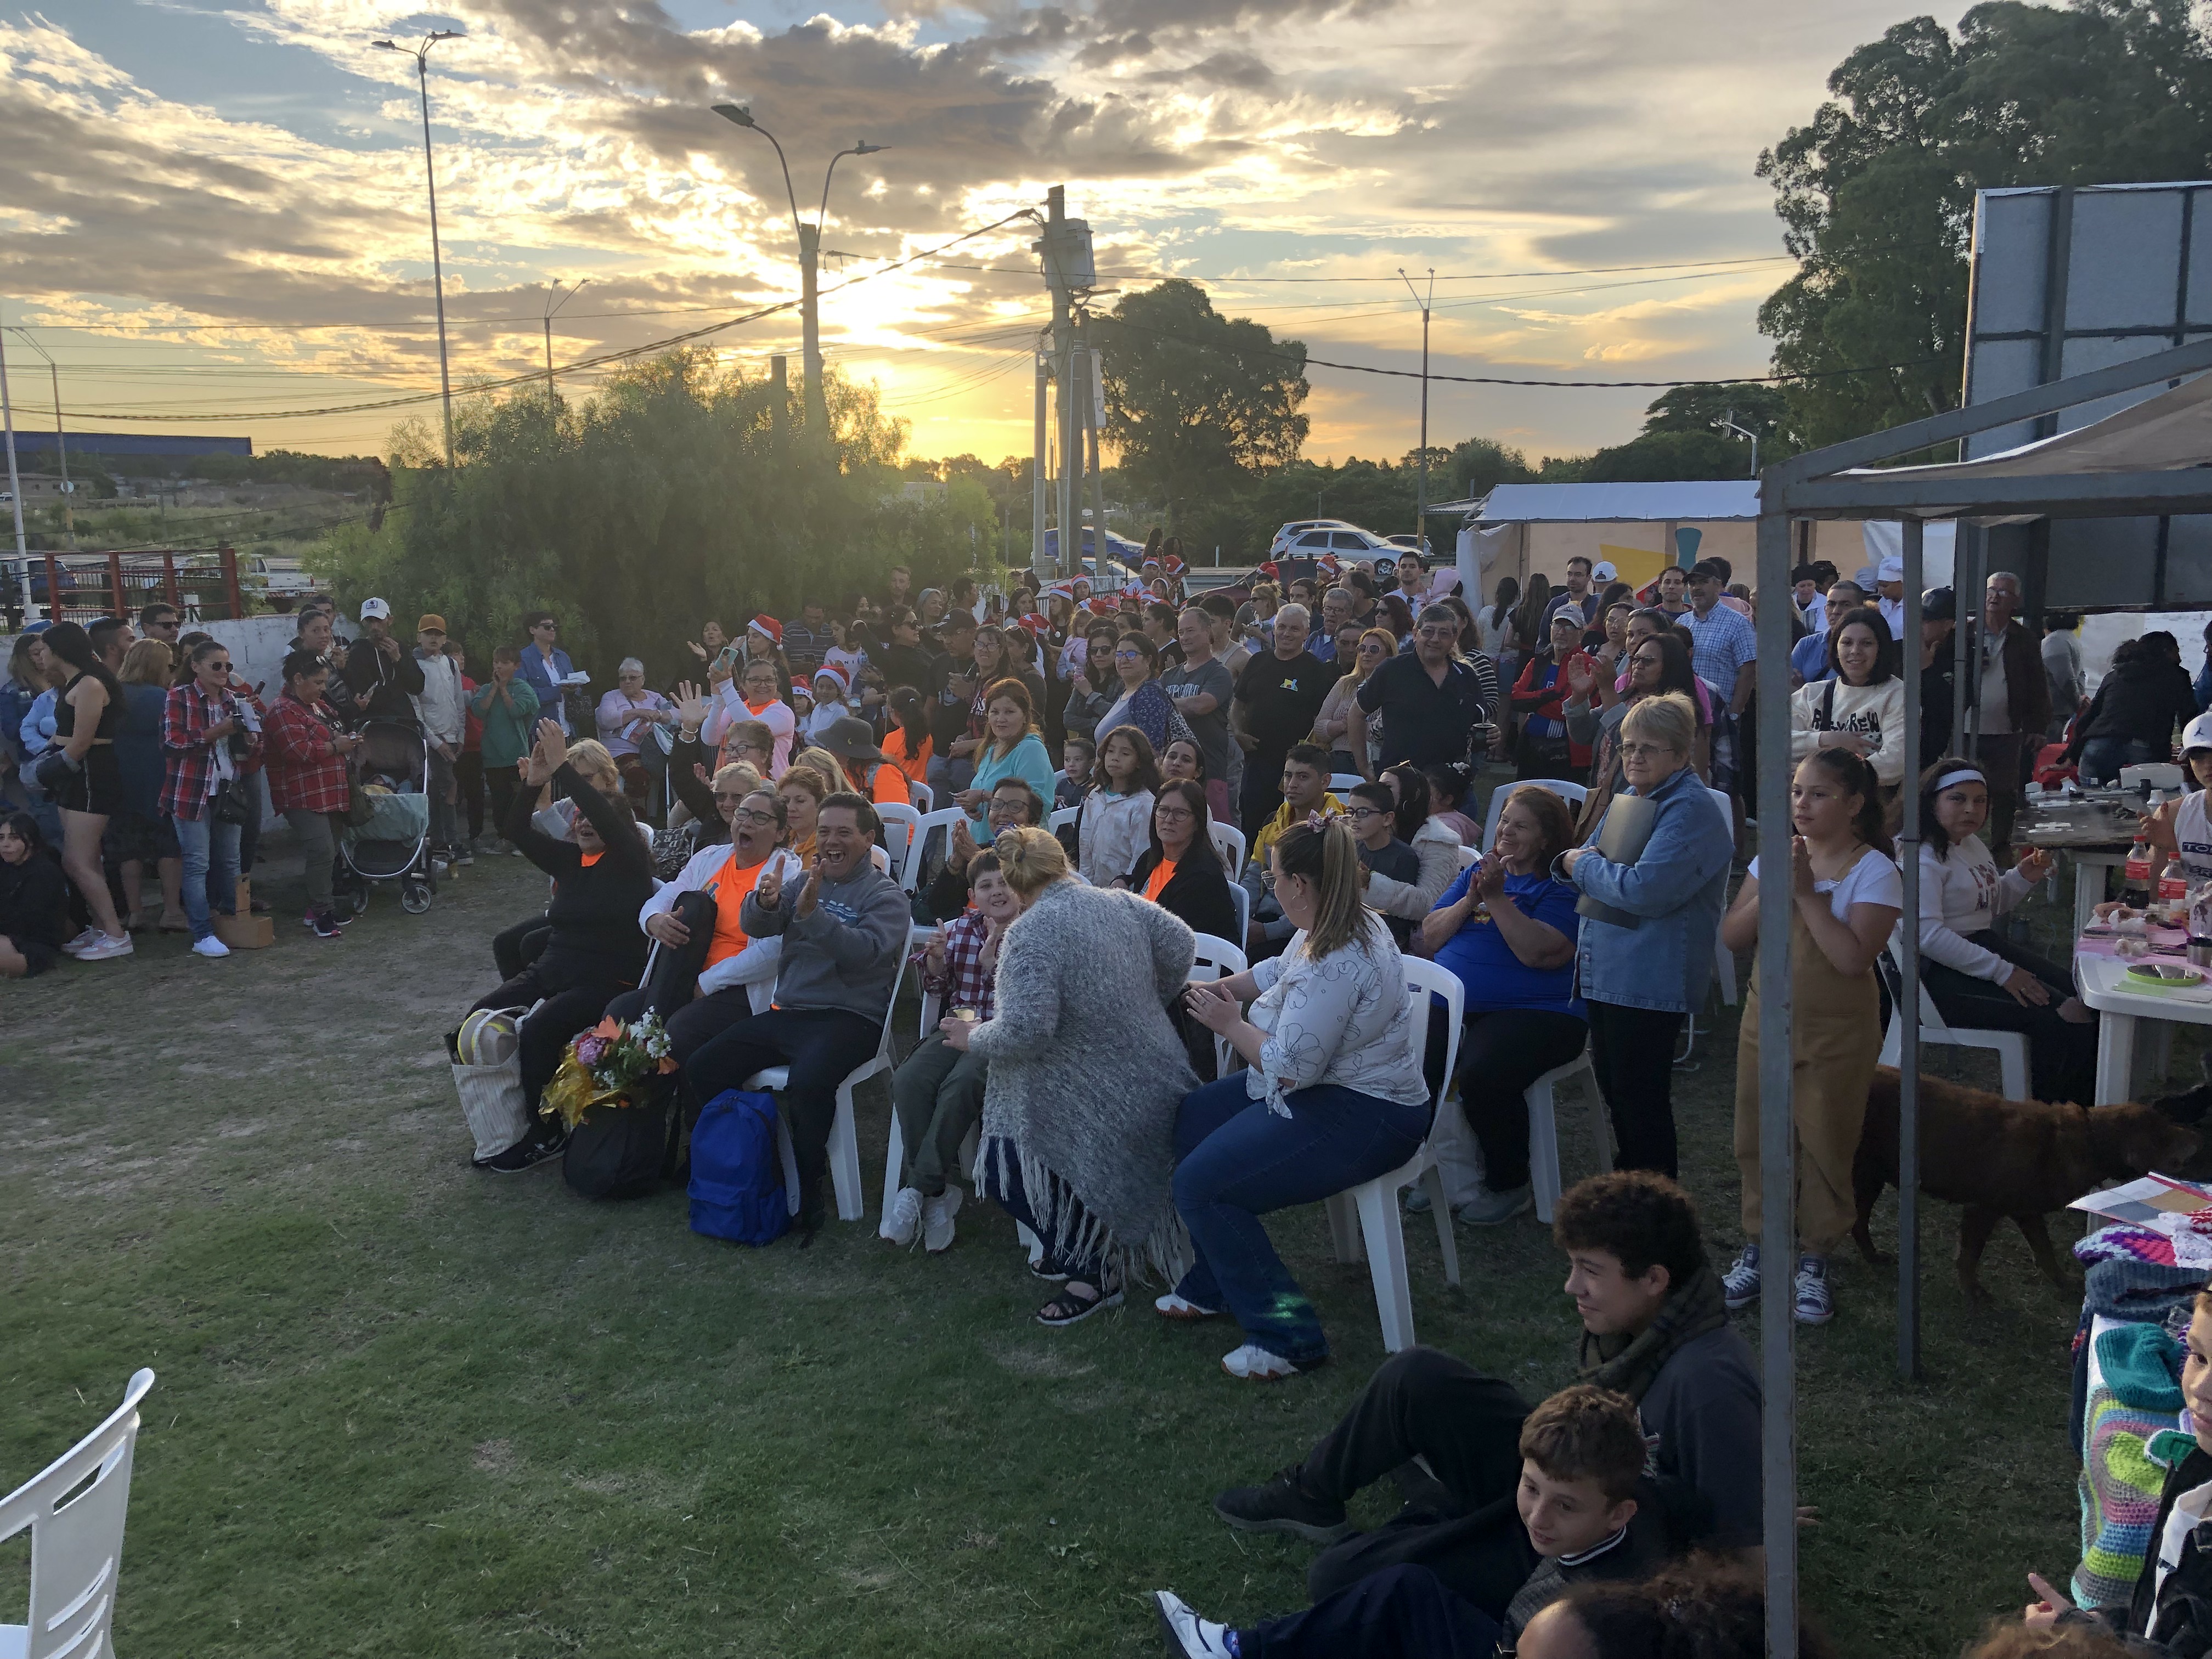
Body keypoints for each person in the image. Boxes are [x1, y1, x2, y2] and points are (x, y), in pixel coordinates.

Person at [1210, 1170, 1758, 1601]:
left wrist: (1750, 1522)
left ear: (1656, 1279)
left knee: (1340, 1578)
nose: (1573, 1287)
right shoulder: (1652, 1329)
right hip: (1576, 1485)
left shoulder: (1707, 1383)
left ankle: (1440, 1523)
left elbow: (1748, 1563)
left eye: (1590, 1270)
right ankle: (1311, 1495)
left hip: (1602, 1548)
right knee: (1417, 1378)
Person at [1171, 816, 1432, 1377]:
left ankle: (1288, 1335)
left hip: (1368, 1113)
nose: (1270, 884)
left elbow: (1291, 1070)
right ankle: (1218, 1278)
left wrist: (1228, 1022)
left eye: (1273, 876)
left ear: (1302, 885)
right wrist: (1223, 989)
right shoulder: (1330, 921)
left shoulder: (1342, 955)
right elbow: (1277, 969)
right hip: (1324, 1089)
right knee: (1190, 1119)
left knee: (1201, 1186)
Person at [1154, 1384, 1658, 1659]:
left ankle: (1240, 1650)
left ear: (1620, 1514)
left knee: (1408, 1591)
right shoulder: (1578, 1543)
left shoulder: (1606, 1601)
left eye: (1565, 1505)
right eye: (1530, 1489)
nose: (1538, 1517)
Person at [941, 826, 1199, 1323]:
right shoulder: (1119, 902)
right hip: (1158, 1071)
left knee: (1002, 1167)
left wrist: (970, 1039)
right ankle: (1080, 1248)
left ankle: (1094, 1269)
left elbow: (1027, 1031)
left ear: (1014, 882)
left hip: (1114, 1090)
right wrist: (1145, 1002)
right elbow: (1180, 942)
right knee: (1025, 1130)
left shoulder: (1030, 933)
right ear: (1062, 861)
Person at [1718, 747, 1900, 1325]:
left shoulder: (1875, 870)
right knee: (1758, 1133)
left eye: (1818, 794)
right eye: (1797, 791)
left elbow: (1851, 958)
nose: (1802, 803)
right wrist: (1778, 882)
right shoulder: (1775, 857)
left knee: (1827, 1138)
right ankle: (1761, 1243)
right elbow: (1732, 936)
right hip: (1764, 1020)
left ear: (1854, 804)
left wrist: (1805, 894)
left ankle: (1815, 1256)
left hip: (1837, 1032)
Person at [685, 792, 911, 1237]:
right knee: (704, 1066)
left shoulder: (887, 896)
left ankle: (810, 1189)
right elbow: (758, 927)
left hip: (852, 1019)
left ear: (868, 838)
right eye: (825, 831)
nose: (831, 841)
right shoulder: (804, 878)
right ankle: (758, 1169)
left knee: (808, 1082)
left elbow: (864, 955)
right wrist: (765, 902)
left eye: (844, 832)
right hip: (789, 1012)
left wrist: (812, 916)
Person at [470, 721, 657, 1172]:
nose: (587, 822)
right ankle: (504, 1124)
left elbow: (607, 813)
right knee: (479, 1020)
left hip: (606, 981)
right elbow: (514, 828)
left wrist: (564, 769)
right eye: (581, 818)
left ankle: (546, 1134)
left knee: (539, 1030)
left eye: (596, 819)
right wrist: (535, 782)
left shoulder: (631, 864)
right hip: (553, 970)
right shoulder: (571, 860)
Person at [1560, 693, 1732, 1179]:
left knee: (1641, 1101)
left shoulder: (1689, 810)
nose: (1634, 757)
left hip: (1649, 980)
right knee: (1619, 1091)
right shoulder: (1634, 798)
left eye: (1649, 749)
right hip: (1611, 971)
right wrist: (1583, 863)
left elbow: (1644, 889)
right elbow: (1581, 861)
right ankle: (1631, 1190)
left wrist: (1584, 864)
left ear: (1681, 755)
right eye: (1628, 746)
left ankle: (1653, 1202)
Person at [1418, 783, 1588, 1224]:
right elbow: (1432, 936)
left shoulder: (1562, 886)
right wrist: (1472, 898)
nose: (1507, 831)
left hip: (1539, 1012)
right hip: (1458, 1003)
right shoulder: (1480, 873)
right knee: (1413, 1054)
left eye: (1522, 826)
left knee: (1482, 1075)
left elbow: (1540, 953)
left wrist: (1495, 899)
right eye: (1505, 820)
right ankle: (1440, 1168)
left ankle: (1508, 1182)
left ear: (1547, 839)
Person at [2022, 1286, 2212, 1655]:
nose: (2202, 1388)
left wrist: (2092, 1642)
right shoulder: (2195, 1468)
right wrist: (2103, 1628)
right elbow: (2160, 1611)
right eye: (2200, 1357)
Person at [1919, 758, 2098, 1104]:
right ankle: (2054, 1124)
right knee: (2066, 1018)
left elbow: (1988, 906)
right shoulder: (1920, 855)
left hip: (1979, 948)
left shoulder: (1969, 844)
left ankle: (2084, 1110)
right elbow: (1927, 936)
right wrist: (2003, 973)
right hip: (1932, 974)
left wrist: (2022, 876)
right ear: (1932, 802)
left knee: (2084, 998)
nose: (1972, 808)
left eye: (1980, 800)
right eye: (1958, 799)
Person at [602, 784, 803, 1065]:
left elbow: (773, 952)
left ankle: (654, 1093)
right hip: (683, 972)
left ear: (780, 833)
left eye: (760, 818)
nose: (746, 822)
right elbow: (667, 894)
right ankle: (621, 1092)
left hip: (738, 988)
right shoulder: (710, 858)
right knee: (618, 1011)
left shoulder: (787, 876)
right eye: (742, 813)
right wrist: (654, 920)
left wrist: (708, 982)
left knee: (682, 1028)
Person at [886, 848, 1022, 1255]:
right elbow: (937, 992)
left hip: (1004, 1029)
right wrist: (936, 963)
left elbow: (1032, 1004)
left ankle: (917, 1188)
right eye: (986, 886)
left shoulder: (1034, 930)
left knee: (962, 1084)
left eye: (1005, 883)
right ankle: (938, 1192)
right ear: (972, 895)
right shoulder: (962, 929)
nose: (996, 892)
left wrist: (994, 963)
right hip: (959, 1018)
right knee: (909, 1079)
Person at [161, 637, 264, 960]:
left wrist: (250, 740)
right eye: (216, 665)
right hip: (191, 791)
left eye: (228, 666)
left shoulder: (235, 700)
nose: (223, 672)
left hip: (228, 790)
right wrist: (214, 732)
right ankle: (202, 933)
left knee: (231, 861)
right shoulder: (179, 697)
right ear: (195, 666)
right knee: (197, 864)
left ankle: (236, 921)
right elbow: (171, 744)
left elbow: (249, 751)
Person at [41, 622, 133, 961]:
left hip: (92, 774)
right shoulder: (74, 683)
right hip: (76, 776)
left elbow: (83, 742)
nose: (41, 656)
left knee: (76, 860)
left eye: (46, 649)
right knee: (87, 857)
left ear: (61, 649)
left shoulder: (91, 683)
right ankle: (100, 926)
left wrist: (48, 768)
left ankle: (115, 934)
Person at [263, 650, 363, 940]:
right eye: (318, 682)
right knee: (321, 852)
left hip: (329, 792)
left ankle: (317, 909)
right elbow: (297, 752)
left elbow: (332, 735)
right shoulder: (283, 709)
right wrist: (337, 747)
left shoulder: (315, 706)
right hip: (302, 797)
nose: (323, 688)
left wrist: (347, 741)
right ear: (298, 679)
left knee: (328, 853)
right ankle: (322, 912)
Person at [1230, 602, 1334, 837]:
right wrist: (1238, 732)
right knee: (1253, 827)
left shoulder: (1317, 672)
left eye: (1295, 629)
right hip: (1256, 763)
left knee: (1291, 829)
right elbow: (1238, 704)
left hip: (1294, 768)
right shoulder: (1257, 662)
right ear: (1274, 629)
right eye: (1282, 627)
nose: (1287, 634)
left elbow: (1322, 719)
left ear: (1306, 633)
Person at [1969, 570, 2054, 855]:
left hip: (2007, 730)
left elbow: (2037, 684)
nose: (1994, 596)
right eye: (1991, 590)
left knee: (2005, 792)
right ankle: (1958, 843)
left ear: (2015, 601)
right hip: (1964, 728)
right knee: (1960, 785)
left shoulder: (2024, 639)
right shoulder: (1964, 632)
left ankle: (2000, 849)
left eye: (2003, 592)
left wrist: (2037, 726)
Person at [1356, 604, 1496, 770]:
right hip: (1400, 782)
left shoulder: (1466, 676)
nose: (1435, 639)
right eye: (1429, 631)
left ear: (1454, 639)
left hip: (1452, 783)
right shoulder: (1391, 670)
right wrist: (1363, 767)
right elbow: (1356, 714)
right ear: (1416, 634)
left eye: (1444, 634)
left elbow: (1480, 722)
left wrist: (1494, 734)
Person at [1786, 606, 1908, 791]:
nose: (1855, 651)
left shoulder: (1897, 694)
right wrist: (1825, 739)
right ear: (1835, 648)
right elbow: (1776, 743)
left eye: (1867, 643)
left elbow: (1896, 761)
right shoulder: (1810, 694)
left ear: (1881, 648)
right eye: (1847, 643)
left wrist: (1831, 782)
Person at [109, 640, 183, 934]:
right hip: (158, 778)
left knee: (129, 851)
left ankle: (136, 913)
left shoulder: (113, 696)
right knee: (169, 848)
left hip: (119, 780)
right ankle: (172, 911)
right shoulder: (161, 697)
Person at [1241, 745, 1342, 957]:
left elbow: (1322, 899)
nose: (1292, 785)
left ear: (1325, 781)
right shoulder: (1273, 820)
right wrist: (1243, 920)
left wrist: (1267, 932)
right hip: (1261, 918)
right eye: (1288, 776)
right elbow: (1253, 876)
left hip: (1304, 930)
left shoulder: (1336, 829)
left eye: (1303, 777)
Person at [2072, 631, 2197, 786]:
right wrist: (2196, 752)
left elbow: (2089, 716)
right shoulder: (2177, 676)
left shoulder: (2115, 675)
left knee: (2091, 803)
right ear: (2166, 651)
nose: (2180, 659)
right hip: (2143, 745)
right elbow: (2189, 717)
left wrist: (2071, 754)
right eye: (2176, 652)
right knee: (2143, 802)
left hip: (2097, 746)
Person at [1678, 561, 1756, 799]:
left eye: (1703, 582)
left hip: (1721, 720)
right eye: (1692, 583)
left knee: (1725, 785)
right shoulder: (1682, 624)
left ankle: (1734, 834)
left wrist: (1734, 713)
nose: (1696, 588)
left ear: (1719, 586)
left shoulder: (1737, 623)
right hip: (1686, 716)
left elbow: (1749, 669)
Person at [1127, 780, 1240, 941]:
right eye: (1163, 810)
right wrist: (1123, 880)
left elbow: (1174, 942)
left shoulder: (1202, 878)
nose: (1168, 819)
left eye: (1180, 813)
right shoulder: (1150, 859)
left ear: (1197, 823)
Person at [953, 679, 1055, 843]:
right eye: (995, 712)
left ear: (1025, 716)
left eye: (1009, 712)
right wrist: (974, 807)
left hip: (1018, 847)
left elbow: (1036, 803)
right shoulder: (991, 748)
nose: (1001, 719)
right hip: (984, 842)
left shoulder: (1030, 749)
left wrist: (982, 797)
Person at [1161, 607, 1238, 824]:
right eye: (1181, 632)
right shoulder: (1169, 675)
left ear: (1207, 632)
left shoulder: (1219, 673)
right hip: (1172, 772)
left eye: (1191, 631)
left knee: (1215, 832)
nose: (1184, 637)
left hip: (1209, 770)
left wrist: (1164, 704)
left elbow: (1202, 705)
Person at [1513, 610, 1596, 781]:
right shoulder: (1538, 661)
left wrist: (1534, 701)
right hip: (1531, 750)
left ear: (1581, 633)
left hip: (1567, 756)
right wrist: (1551, 694)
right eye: (1557, 625)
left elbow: (1567, 710)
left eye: (1569, 627)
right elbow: (1516, 699)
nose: (1561, 632)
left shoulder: (1585, 664)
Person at [470, 647, 540, 851]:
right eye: (496, 662)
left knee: (519, 799)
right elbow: (478, 710)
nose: (499, 666)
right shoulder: (485, 689)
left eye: (505, 663)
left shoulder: (523, 688)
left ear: (516, 666)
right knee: (499, 799)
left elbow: (517, 711)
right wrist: (494, 688)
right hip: (493, 755)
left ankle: (521, 839)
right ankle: (504, 837)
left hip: (516, 754)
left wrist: (504, 690)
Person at [411, 614, 468, 864]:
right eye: (428, 633)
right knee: (448, 787)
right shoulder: (413, 667)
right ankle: (450, 843)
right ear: (419, 637)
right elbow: (416, 712)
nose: (434, 638)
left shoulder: (450, 664)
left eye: (438, 634)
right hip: (430, 742)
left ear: (445, 639)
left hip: (452, 738)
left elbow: (458, 702)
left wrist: (460, 735)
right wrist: (436, 743)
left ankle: (441, 845)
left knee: (439, 791)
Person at [1077, 725, 1159, 887]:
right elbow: (1085, 844)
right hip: (1094, 888)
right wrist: (1085, 885)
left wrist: (1127, 886)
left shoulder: (1143, 803)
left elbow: (1141, 855)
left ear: (1139, 762)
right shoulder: (1096, 796)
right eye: (1111, 751)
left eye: (1125, 753)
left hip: (1124, 892)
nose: (1115, 758)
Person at [1341, 781, 1421, 945]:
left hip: (1383, 941)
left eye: (1363, 812)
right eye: (1350, 812)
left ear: (1387, 819)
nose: (1354, 819)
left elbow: (1400, 920)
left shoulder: (1404, 857)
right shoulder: (1354, 847)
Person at [595, 658, 675, 809]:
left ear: (643, 679)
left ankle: (674, 815)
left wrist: (661, 715)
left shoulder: (654, 697)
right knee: (638, 775)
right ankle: (635, 819)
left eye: (632, 678)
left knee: (680, 768)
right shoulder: (611, 696)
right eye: (623, 678)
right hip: (621, 752)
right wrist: (639, 712)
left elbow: (676, 715)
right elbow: (605, 719)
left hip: (654, 750)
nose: (627, 682)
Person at [1314, 627, 1392, 780]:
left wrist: (1354, 723)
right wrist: (1343, 725)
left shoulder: (1393, 688)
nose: (1366, 653)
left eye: (1374, 650)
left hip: (1374, 761)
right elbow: (1319, 727)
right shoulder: (1345, 683)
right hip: (1338, 760)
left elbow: (1384, 732)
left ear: (1389, 654)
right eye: (1362, 648)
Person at [0, 810, 67, 978]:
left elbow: (27, 921)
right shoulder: (7, 867)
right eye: (1, 838)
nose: (5, 844)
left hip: (34, 945)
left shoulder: (43, 871)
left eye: (14, 838)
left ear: (30, 841)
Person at [707, 656, 797, 777]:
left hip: (770, 786)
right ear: (743, 685)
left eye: (769, 680)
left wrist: (726, 686)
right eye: (755, 680)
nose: (763, 685)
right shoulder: (733, 709)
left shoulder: (783, 712)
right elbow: (710, 739)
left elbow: (752, 730)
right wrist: (718, 701)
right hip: (732, 784)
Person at [342, 598, 427, 725]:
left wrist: (399, 660)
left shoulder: (399, 647)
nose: (374, 627)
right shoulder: (357, 650)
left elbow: (417, 686)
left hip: (402, 722)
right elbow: (363, 691)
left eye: (378, 620)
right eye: (369, 621)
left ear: (389, 620)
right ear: (363, 623)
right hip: (372, 724)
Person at [1787, 578, 1863, 687]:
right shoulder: (1806, 645)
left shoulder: (1867, 646)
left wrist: (1807, 691)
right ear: (1825, 608)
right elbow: (1789, 687)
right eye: (1831, 604)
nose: (1836, 611)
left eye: (1845, 605)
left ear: (1860, 608)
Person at [879, 685, 933, 798]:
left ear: (895, 712)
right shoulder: (927, 737)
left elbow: (886, 768)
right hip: (922, 795)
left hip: (899, 793)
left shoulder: (891, 738)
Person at [1424, 761, 1481, 845]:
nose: (1421, 798)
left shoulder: (1447, 829)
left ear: (1447, 800)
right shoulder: (1451, 820)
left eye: (1427, 795)